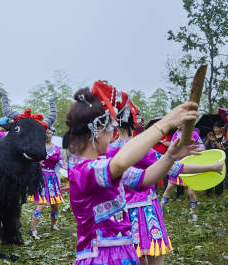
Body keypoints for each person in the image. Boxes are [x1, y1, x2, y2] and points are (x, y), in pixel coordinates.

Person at [65, 81, 200, 265]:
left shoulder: (100, 165)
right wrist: (165, 123)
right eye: (110, 130)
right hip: (100, 258)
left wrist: (170, 156)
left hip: (123, 254)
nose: (112, 135)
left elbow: (144, 178)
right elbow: (120, 163)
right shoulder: (82, 171)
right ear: (97, 130)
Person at [107, 111, 222, 265]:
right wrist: (211, 167)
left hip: (120, 214)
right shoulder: (143, 150)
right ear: (135, 123)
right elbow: (175, 168)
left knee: (134, 258)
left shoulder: (108, 152)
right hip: (147, 211)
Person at [29, 126, 67, 239]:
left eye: (49, 133)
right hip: (41, 177)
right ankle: (33, 230)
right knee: (42, 203)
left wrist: (70, 169)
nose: (47, 135)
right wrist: (35, 163)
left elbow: (61, 162)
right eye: (45, 133)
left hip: (53, 179)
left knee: (55, 205)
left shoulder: (57, 149)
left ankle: (53, 225)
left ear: (52, 135)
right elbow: (30, 160)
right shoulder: (38, 147)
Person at [161, 126, 205, 221]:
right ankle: (160, 211)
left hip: (190, 166)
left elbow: (203, 149)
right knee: (169, 188)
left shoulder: (194, 134)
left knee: (191, 192)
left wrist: (189, 151)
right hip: (178, 165)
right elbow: (171, 151)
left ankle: (194, 215)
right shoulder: (176, 135)